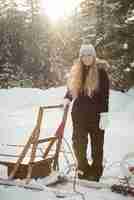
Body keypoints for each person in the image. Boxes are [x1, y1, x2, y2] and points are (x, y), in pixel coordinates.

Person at [64, 44, 109, 182]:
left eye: (89, 55)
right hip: (79, 115)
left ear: (94, 56)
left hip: (96, 116)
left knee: (97, 145)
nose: (86, 58)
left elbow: (105, 95)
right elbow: (72, 89)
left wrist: (104, 114)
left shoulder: (101, 72)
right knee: (78, 144)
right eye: (83, 55)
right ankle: (83, 169)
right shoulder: (77, 71)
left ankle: (96, 172)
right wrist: (67, 98)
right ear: (80, 57)